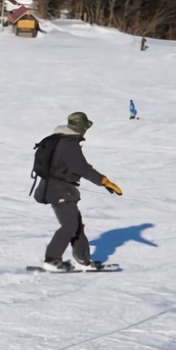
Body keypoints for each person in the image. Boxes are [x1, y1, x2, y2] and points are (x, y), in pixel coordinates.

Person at [34, 111, 122, 272]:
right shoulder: (68, 144)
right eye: (85, 128)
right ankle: (52, 259)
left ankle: (83, 260)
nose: (86, 131)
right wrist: (104, 181)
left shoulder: (59, 140)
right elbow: (81, 168)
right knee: (70, 224)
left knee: (76, 224)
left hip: (56, 187)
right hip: (59, 189)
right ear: (81, 128)